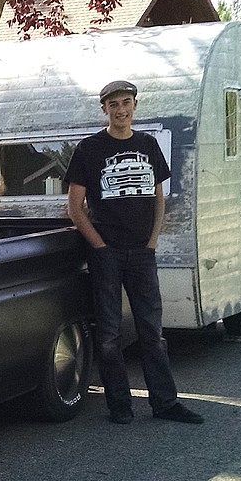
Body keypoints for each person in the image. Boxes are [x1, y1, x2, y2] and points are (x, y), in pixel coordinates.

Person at [65, 80, 204, 425]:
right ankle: (120, 404)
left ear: (135, 106)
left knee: (152, 332)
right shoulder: (89, 149)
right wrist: (99, 245)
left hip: (143, 252)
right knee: (110, 335)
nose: (121, 110)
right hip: (106, 253)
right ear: (105, 110)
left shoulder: (148, 145)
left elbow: (159, 197)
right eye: (114, 105)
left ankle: (165, 403)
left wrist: (153, 240)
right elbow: (75, 207)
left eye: (126, 103)